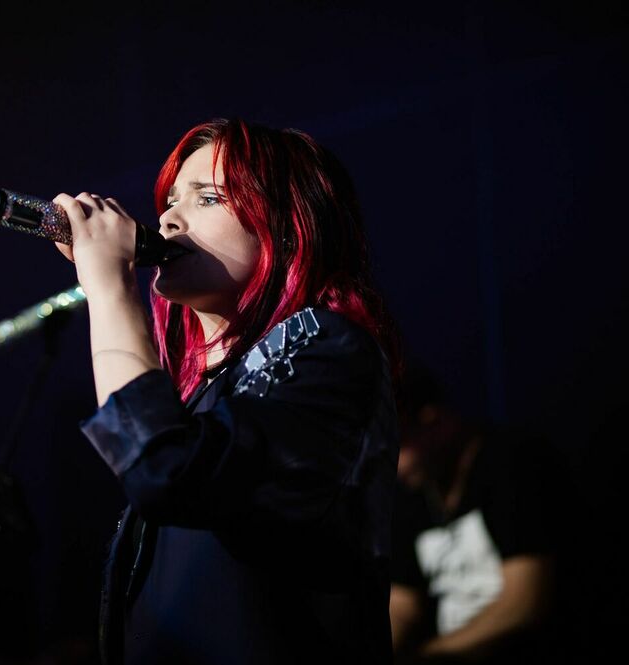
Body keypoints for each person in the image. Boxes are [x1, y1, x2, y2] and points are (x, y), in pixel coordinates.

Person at [52, 118, 399, 664]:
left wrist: (109, 287)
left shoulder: (328, 348)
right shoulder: (201, 399)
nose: (168, 218)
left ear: (287, 227)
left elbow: (158, 465)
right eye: (170, 200)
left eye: (208, 198)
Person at [389, 364, 562, 664]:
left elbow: (526, 600)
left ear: (434, 421)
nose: (394, 466)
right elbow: (402, 604)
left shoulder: (513, 464)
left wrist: (430, 655)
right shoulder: (414, 491)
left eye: (399, 446)